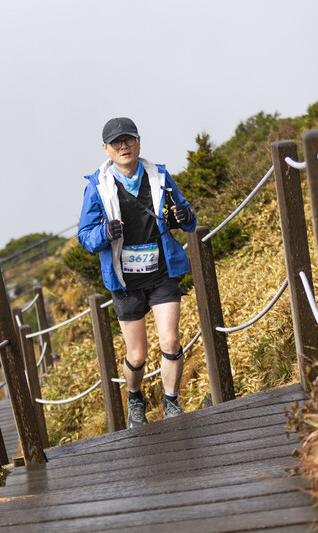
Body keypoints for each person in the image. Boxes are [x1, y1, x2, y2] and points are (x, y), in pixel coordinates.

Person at [78, 117, 197, 428]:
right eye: (116, 142)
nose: (123, 146)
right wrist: (104, 232)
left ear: (139, 141)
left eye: (128, 139)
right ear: (106, 149)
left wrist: (185, 215)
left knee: (170, 341)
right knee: (138, 354)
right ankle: (135, 398)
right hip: (125, 281)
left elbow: (187, 218)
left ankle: (171, 402)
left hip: (162, 272)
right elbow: (85, 236)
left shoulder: (159, 176)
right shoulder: (97, 187)